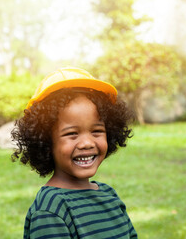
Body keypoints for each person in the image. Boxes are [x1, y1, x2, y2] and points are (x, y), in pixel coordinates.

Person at [12, 66, 137, 238]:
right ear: (46, 142)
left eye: (96, 131)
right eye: (72, 134)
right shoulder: (51, 209)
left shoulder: (109, 195)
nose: (87, 143)